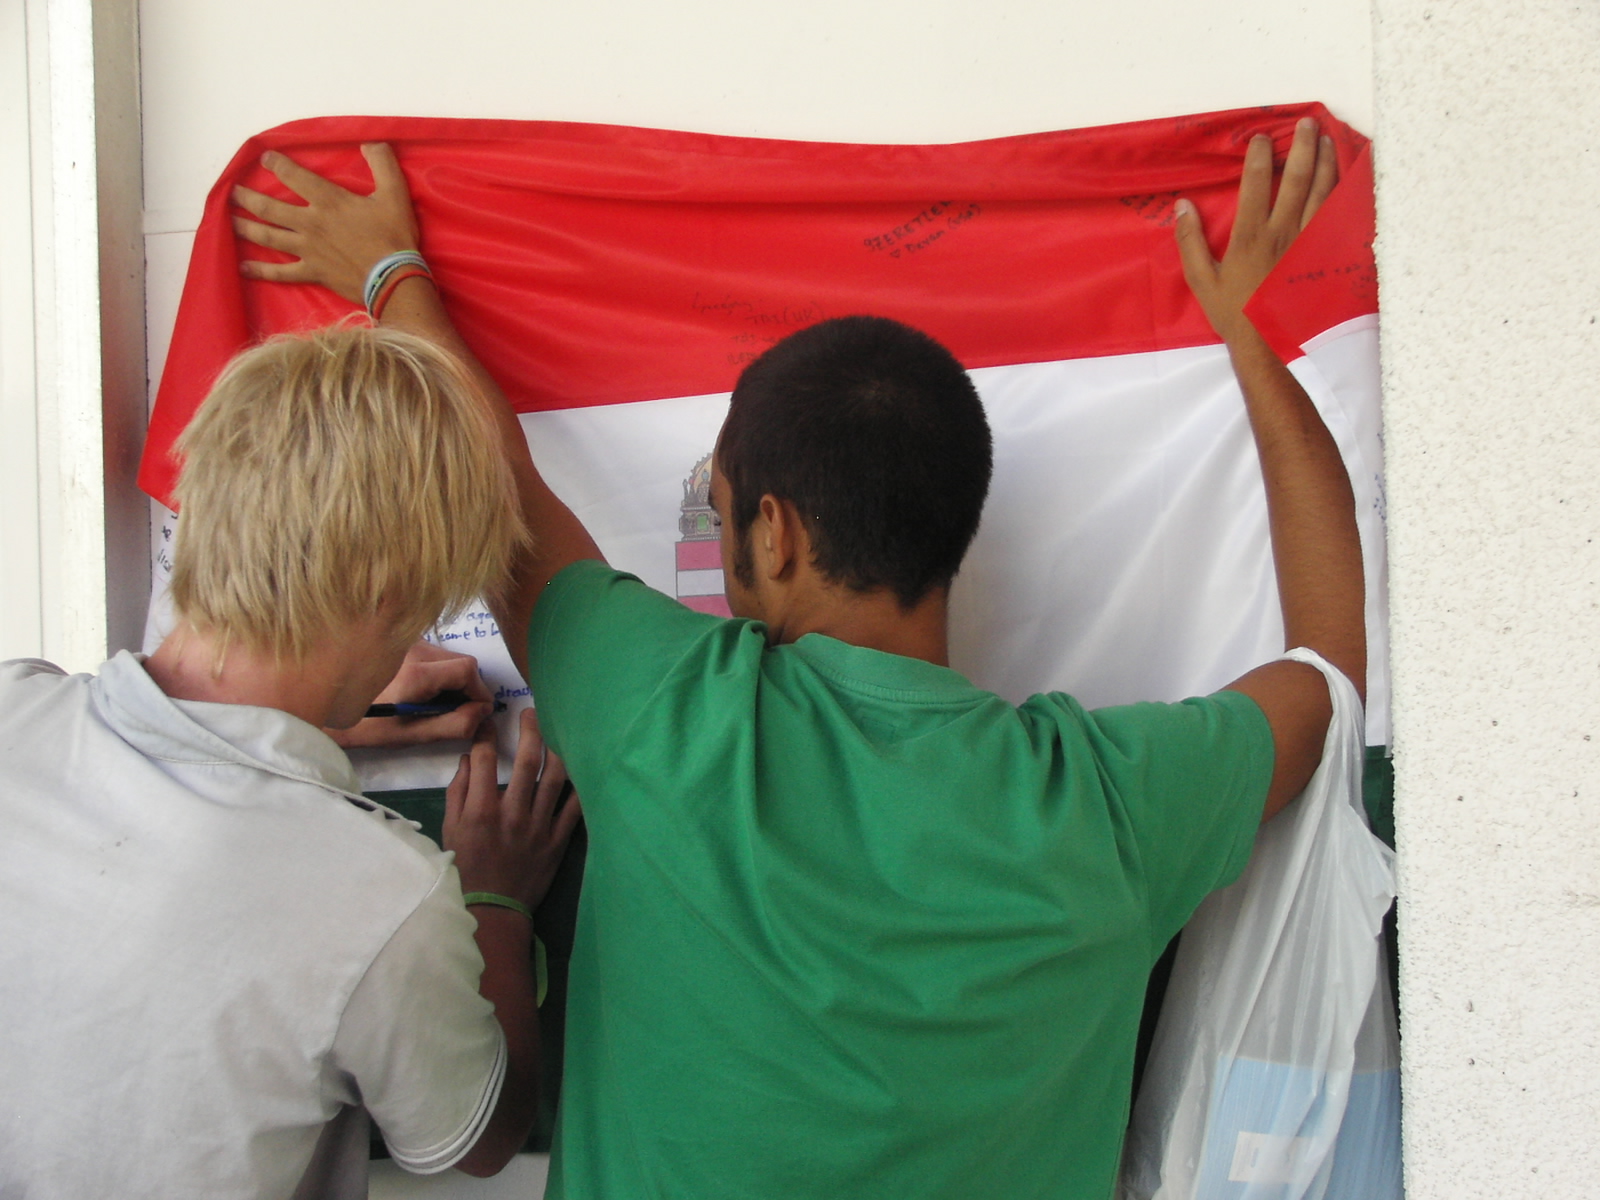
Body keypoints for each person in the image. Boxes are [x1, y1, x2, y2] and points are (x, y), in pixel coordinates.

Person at [231, 116, 1364, 1199]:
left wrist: (390, 272)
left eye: (717, 511)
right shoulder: (1114, 805)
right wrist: (1250, 333)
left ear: (772, 535)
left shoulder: (663, 711)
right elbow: (1328, 669)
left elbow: (498, 483)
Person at [0, 327, 582, 1198]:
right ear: (391, 594)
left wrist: (315, 718)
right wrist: (495, 901)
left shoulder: (15, 709)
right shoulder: (381, 890)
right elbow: (481, 1137)